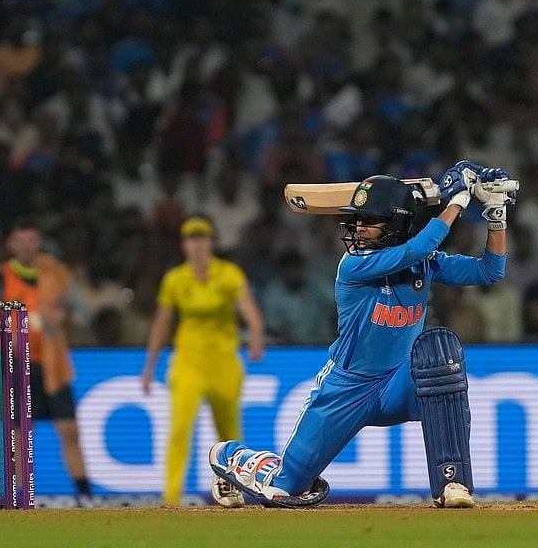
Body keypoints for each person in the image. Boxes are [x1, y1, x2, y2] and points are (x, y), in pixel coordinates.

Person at [208, 162, 515, 509]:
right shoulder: (354, 265)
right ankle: (228, 456)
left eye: (369, 221)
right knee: (285, 490)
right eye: (357, 220)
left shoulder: (425, 262)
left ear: (397, 224)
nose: (358, 228)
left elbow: (491, 270)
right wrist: (456, 203)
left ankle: (453, 482)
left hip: (397, 382)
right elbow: (413, 250)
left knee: (439, 354)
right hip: (348, 387)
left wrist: (495, 213)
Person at [0, 217, 93, 502]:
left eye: (32, 239)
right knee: (20, 433)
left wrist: (64, 318)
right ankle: (23, 497)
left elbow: (83, 314)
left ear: (39, 242)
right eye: (20, 240)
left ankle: (86, 495)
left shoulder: (56, 273)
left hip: (53, 363)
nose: (26, 246)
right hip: (18, 363)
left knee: (69, 429)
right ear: (11, 244)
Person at [141, 215, 265, 508]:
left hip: (223, 362)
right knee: (180, 429)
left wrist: (257, 334)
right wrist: (150, 367)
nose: (196, 245)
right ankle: (171, 500)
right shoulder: (175, 279)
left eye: (201, 238)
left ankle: (235, 494)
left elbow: (247, 307)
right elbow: (162, 323)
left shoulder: (229, 274)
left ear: (211, 242)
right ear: (184, 245)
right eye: (190, 239)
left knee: (230, 435)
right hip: (188, 361)